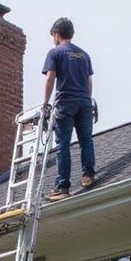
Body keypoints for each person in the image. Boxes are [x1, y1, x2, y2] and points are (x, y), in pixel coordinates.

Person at [42, 16, 96, 202]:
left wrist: (45, 104)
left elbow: (50, 78)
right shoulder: (84, 55)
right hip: (84, 102)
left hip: (66, 102)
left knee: (63, 144)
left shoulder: (55, 53)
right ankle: (88, 175)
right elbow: (89, 82)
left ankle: (63, 187)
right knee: (86, 140)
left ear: (56, 34)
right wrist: (87, 101)